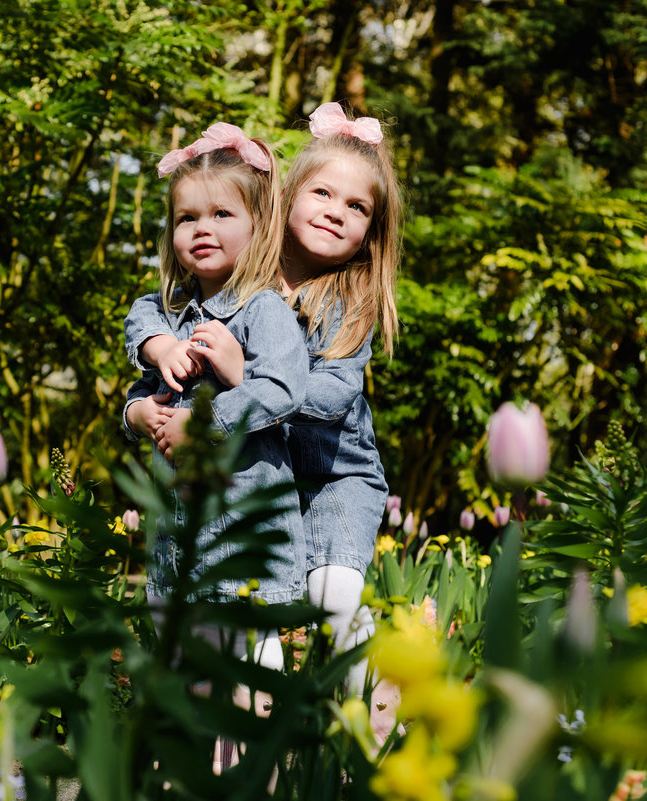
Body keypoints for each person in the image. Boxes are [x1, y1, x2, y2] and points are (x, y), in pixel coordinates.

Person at [126, 103, 401, 737]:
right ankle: (263, 735)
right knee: (245, 604)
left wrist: (241, 374)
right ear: (283, 202)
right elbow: (155, 308)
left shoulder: (348, 303)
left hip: (335, 477)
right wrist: (151, 364)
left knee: (332, 596)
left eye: (356, 207)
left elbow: (326, 399)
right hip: (265, 474)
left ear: (372, 230)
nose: (335, 210)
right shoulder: (241, 279)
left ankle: (379, 723)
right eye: (322, 192)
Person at [122, 123, 309, 678]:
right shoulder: (169, 320)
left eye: (222, 215)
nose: (203, 228)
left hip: (241, 528)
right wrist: (138, 413)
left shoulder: (263, 312)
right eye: (188, 217)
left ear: (258, 227)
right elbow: (138, 396)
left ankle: (262, 762)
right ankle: (193, 760)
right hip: (175, 536)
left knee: (251, 658)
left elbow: (282, 388)